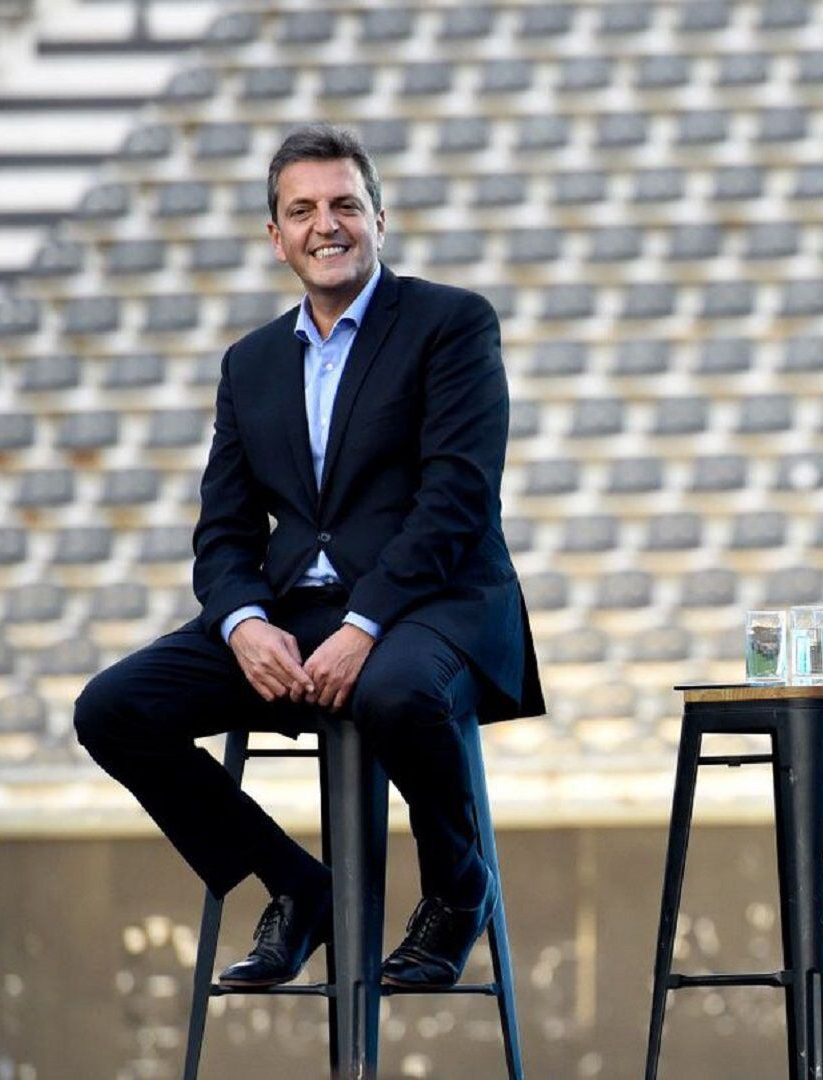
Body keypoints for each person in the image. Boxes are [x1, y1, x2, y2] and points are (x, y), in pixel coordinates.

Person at [74, 124, 544, 991]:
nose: (326, 225)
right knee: (113, 709)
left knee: (395, 689)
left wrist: (365, 624)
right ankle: (296, 885)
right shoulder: (249, 363)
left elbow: (458, 500)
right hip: (296, 611)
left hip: (433, 605)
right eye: (303, 211)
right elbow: (222, 534)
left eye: (345, 206)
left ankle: (456, 891)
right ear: (276, 235)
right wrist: (245, 623)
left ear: (379, 218)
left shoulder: (451, 322)